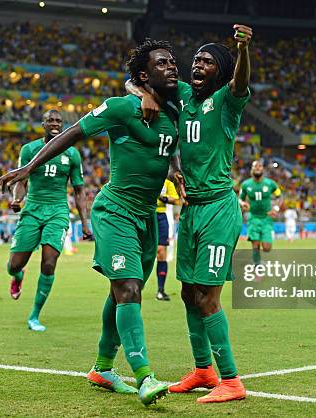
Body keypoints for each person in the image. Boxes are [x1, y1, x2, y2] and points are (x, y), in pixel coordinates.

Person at [0, 39, 181, 406]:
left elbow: (170, 148)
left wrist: (176, 171)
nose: (173, 67)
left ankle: (102, 368)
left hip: (146, 215)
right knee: (128, 289)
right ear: (144, 75)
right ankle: (145, 376)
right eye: (163, 63)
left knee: (123, 293)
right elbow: (72, 134)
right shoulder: (119, 108)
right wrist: (28, 167)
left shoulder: (175, 110)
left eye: (173, 61)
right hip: (115, 212)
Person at [129, 23, 253, 403]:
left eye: (207, 61)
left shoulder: (228, 102)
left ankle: (231, 381)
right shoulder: (183, 96)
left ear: (221, 69)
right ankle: (203, 370)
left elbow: (241, 81)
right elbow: (133, 78)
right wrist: (141, 94)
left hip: (218, 209)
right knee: (187, 293)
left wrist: (242, 50)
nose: (197, 65)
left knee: (208, 298)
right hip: (192, 211)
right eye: (195, 59)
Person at [6, 110, 90, 332]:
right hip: (32, 209)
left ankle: (34, 315)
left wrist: (85, 222)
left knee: (49, 262)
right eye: (51, 120)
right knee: (13, 265)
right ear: (43, 124)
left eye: (59, 121)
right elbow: (22, 180)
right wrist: (16, 199)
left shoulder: (72, 154)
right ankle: (18, 275)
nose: (55, 124)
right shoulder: (29, 150)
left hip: (58, 212)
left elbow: (79, 190)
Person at [239, 161, 281, 264]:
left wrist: (276, 208)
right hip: (253, 218)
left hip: (267, 218)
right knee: (255, 243)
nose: (257, 168)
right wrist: (242, 203)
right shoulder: (245, 185)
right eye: (255, 166)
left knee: (267, 248)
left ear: (263, 169)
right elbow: (240, 199)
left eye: (260, 166)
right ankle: (257, 265)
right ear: (251, 170)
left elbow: (279, 196)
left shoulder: (270, 184)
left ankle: (258, 257)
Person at [155, 178, 180, 301]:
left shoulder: (167, 182)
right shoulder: (145, 176)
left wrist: (162, 198)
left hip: (160, 216)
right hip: (145, 215)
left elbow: (176, 200)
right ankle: (135, 286)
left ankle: (160, 290)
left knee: (161, 253)